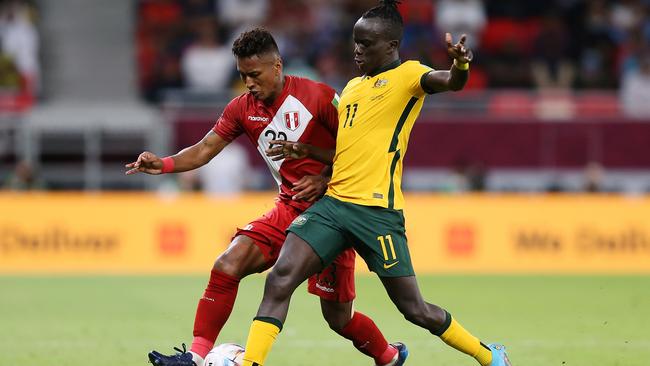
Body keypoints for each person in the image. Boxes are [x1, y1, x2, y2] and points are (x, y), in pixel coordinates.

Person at [240, 1, 512, 366]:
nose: (357, 50)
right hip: (334, 207)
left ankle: (488, 354)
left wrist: (461, 64)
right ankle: (250, 362)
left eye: (365, 44)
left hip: (377, 214)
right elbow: (348, 151)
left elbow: (450, 81)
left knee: (414, 309)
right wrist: (306, 149)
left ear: (390, 45)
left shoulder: (409, 76)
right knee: (280, 279)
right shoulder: (351, 88)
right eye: (355, 42)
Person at [125, 28, 406, 366]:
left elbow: (359, 150)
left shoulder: (318, 96)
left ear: (277, 66)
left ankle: (389, 357)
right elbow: (204, 149)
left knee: (338, 318)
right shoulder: (242, 108)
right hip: (288, 208)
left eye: (255, 75)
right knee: (227, 264)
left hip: (334, 212)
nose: (249, 83)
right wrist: (165, 163)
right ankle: (195, 357)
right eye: (243, 75)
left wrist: (323, 178)